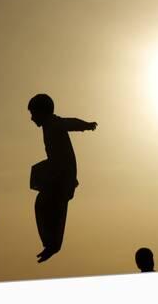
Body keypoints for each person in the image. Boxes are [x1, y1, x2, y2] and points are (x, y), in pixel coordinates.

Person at [28, 94, 97, 263]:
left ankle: (53, 243)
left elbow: (69, 122)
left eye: (33, 114)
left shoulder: (53, 123)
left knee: (53, 205)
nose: (31, 118)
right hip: (57, 170)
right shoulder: (49, 124)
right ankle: (51, 243)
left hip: (62, 173)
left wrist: (86, 126)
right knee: (43, 204)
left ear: (42, 112)